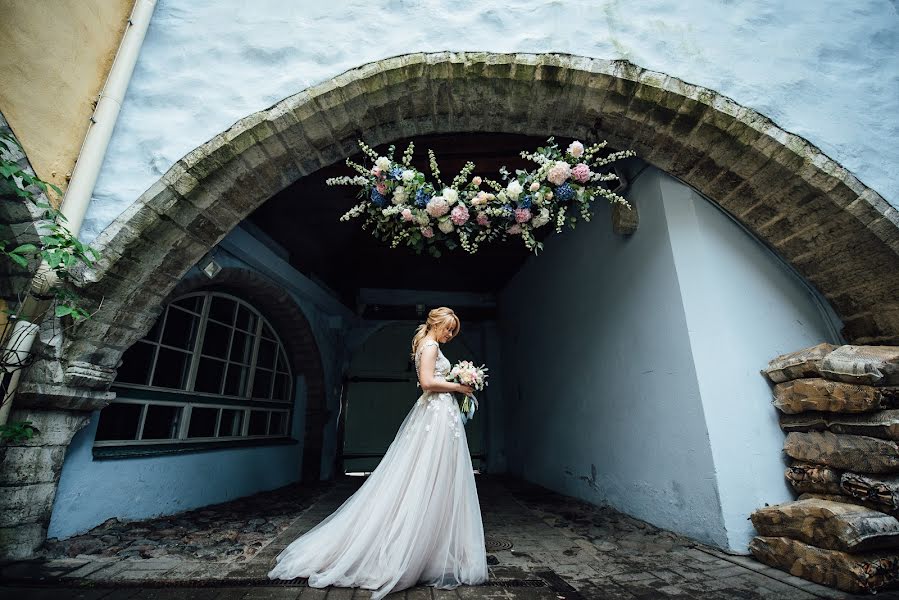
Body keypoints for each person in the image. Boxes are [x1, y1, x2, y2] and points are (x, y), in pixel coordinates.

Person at [268, 307, 488, 599]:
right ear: (436, 325)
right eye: (448, 329)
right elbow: (426, 383)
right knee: (425, 475)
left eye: (453, 331)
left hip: (439, 415)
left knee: (440, 477)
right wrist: (460, 387)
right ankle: (413, 547)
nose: (450, 335)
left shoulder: (430, 344)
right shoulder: (430, 346)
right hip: (434, 416)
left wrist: (459, 386)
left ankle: (433, 546)